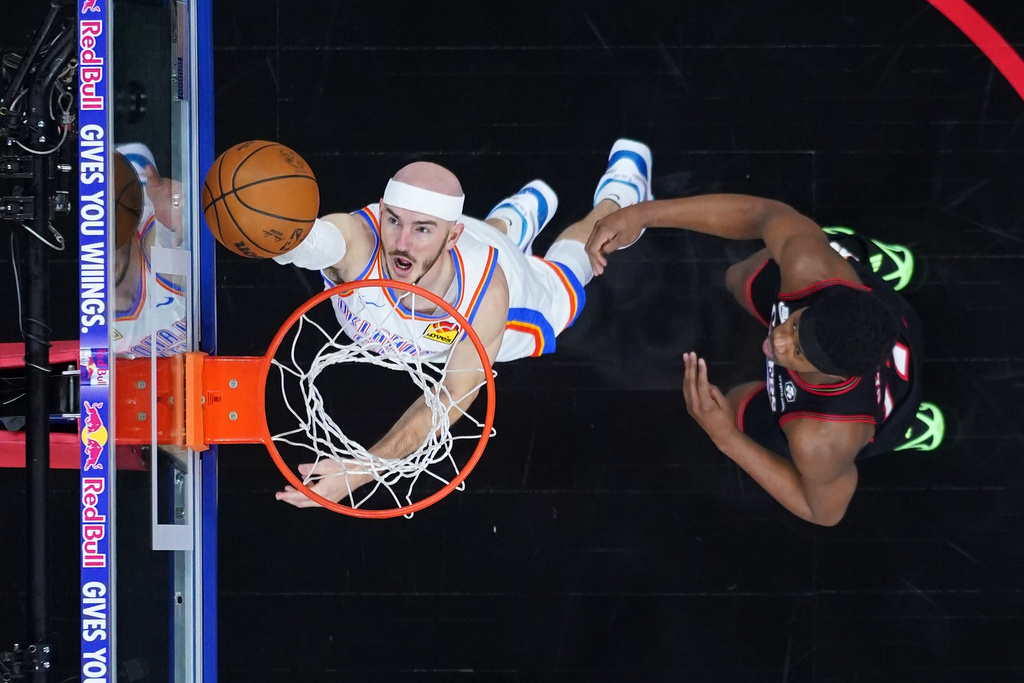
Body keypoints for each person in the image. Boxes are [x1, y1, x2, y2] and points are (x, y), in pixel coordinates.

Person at [273, 139, 654, 508]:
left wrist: (359, 471)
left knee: (567, 285)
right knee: (445, 242)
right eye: (393, 221)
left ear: (453, 235)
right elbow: (312, 241)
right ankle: (510, 221)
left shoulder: (487, 295)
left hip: (503, 298)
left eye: (422, 229)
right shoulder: (359, 239)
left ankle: (620, 193)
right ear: (382, 210)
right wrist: (274, 237)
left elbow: (449, 397)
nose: (401, 243)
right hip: (458, 255)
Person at [585, 194, 943, 526]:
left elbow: (823, 511)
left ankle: (907, 424)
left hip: (868, 410)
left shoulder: (821, 439)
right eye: (796, 322)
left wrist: (725, 438)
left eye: (799, 351)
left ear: (832, 375)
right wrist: (643, 214)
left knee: (736, 409)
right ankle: (861, 256)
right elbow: (763, 215)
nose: (778, 338)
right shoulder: (810, 266)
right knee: (741, 276)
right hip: (886, 311)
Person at [111, 143, 188, 358]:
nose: (105, 255)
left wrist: (179, 210)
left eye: (112, 231)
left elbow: (168, 239)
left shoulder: (163, 258)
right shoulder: (82, 324)